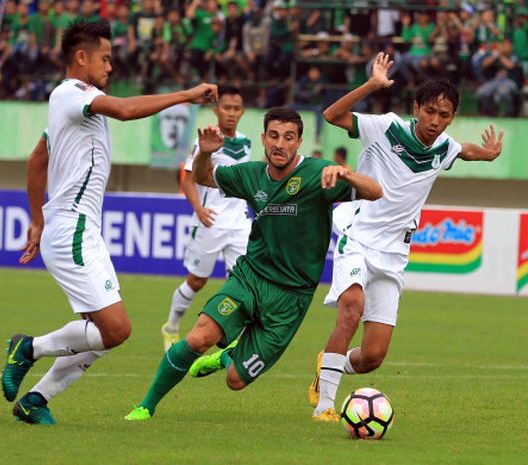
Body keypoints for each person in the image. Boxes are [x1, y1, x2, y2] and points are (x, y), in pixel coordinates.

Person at [1, 19, 218, 425]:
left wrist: (35, 221)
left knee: (101, 334)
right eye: (105, 58)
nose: (110, 67)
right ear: (81, 58)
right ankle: (27, 348)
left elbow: (37, 160)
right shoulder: (71, 94)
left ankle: (35, 399)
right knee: (116, 328)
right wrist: (187, 95)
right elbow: (123, 109)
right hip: (72, 229)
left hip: (82, 230)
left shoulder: (74, 104)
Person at [124, 108, 383, 421]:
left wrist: (346, 173)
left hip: (292, 297)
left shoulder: (320, 173)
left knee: (235, 380)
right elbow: (204, 176)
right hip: (250, 278)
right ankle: (145, 407)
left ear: (299, 142)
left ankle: (229, 356)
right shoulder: (250, 175)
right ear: (263, 138)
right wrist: (204, 154)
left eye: (288, 137)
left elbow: (375, 191)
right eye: (273, 135)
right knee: (198, 337)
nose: (280, 144)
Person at [308, 53, 504, 422]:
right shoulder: (385, 127)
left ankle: (329, 365)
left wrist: (488, 155)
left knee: (372, 358)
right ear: (416, 107)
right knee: (351, 311)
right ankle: (325, 406)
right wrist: (371, 85)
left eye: (444, 116)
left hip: (395, 253)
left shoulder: (444, 147)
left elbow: (466, 151)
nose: (435, 121)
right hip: (359, 236)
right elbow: (331, 116)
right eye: (430, 111)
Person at [160, 85, 252, 350]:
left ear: (242, 112)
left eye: (236, 109)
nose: (231, 113)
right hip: (209, 221)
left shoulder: (246, 143)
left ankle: (230, 338)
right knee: (197, 281)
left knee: (241, 282)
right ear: (216, 110)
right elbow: (187, 179)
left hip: (239, 224)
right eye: (227, 108)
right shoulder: (206, 141)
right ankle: (171, 327)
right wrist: (199, 209)